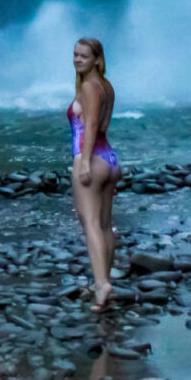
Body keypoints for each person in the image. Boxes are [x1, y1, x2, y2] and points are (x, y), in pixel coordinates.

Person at [67, 37, 122, 313]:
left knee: (90, 224)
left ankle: (102, 285)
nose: (77, 60)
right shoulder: (106, 86)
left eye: (83, 56)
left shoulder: (89, 86)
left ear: (97, 59)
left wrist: (85, 162)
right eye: (75, 55)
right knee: (104, 224)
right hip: (110, 158)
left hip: (91, 158)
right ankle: (104, 280)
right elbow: (102, 124)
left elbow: (89, 125)